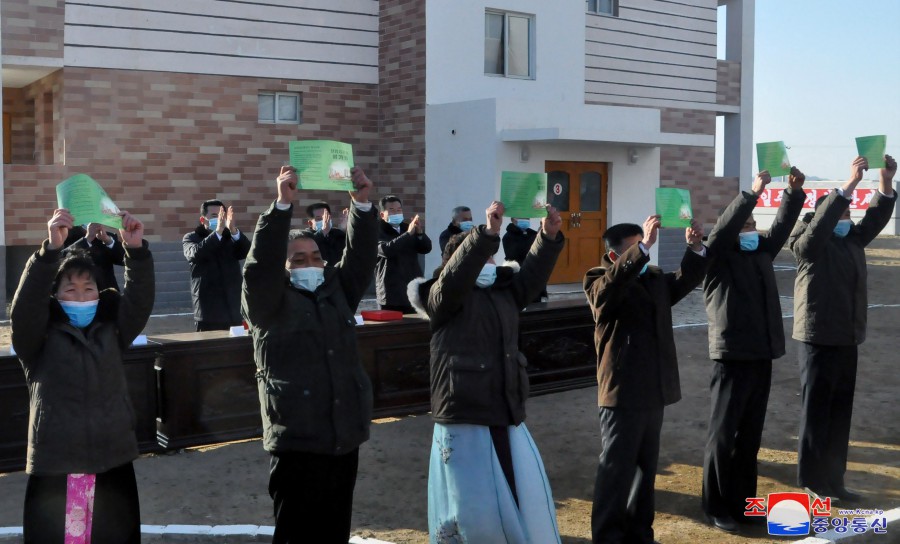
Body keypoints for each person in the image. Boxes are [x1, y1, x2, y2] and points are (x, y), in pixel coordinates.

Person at [408, 201, 565, 543]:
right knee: (471, 508)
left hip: (504, 407)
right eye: (482, 258)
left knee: (515, 493)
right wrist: (487, 235)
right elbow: (455, 279)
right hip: (465, 410)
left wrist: (548, 236)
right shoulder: (443, 297)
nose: (489, 264)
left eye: (492, 258)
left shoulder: (504, 292)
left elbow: (534, 273)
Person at [242, 165, 378, 544]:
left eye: (315, 257)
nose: (310, 264)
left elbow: (362, 258)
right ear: (283, 269)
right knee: (297, 535)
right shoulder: (268, 302)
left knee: (335, 530)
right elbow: (258, 269)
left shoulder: (337, 290)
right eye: (298, 260)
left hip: (341, 433)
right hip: (297, 438)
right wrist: (282, 206)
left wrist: (362, 203)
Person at [11, 207, 154, 543]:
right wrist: (49, 251)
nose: (80, 297)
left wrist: (135, 251)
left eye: (88, 288)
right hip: (58, 465)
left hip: (112, 460)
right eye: (70, 290)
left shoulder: (112, 331)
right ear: (56, 297)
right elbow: (24, 309)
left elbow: (140, 301)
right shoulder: (39, 340)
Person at [584, 215, 706, 544]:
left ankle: (640, 533)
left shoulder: (652, 278)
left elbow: (682, 281)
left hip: (654, 388)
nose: (644, 252)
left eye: (645, 245)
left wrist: (694, 248)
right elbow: (604, 294)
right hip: (622, 391)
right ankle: (608, 536)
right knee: (615, 469)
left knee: (644, 469)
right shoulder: (598, 278)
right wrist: (643, 248)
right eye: (636, 247)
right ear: (615, 255)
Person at [700, 167, 806, 532]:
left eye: (752, 226)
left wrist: (792, 194)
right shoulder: (716, 257)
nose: (750, 232)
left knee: (750, 437)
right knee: (723, 434)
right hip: (731, 354)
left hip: (762, 353)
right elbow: (723, 230)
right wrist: (752, 193)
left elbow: (780, 228)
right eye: (744, 227)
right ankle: (715, 506)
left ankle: (744, 504)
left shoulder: (760, 251)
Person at [789, 154, 897, 503]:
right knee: (817, 411)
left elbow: (876, 218)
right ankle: (812, 481)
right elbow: (816, 232)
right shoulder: (807, 238)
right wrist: (848, 185)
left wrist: (884, 182)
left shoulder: (851, 239)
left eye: (849, 214)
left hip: (848, 335)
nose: (847, 220)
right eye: (842, 213)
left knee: (839, 413)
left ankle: (834, 480)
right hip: (817, 335)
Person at [183, 199, 251, 331]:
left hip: (233, 307)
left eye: (223, 216)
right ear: (203, 220)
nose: (220, 219)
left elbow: (247, 252)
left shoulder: (230, 237)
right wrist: (217, 232)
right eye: (215, 216)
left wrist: (233, 230)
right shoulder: (192, 238)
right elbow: (196, 254)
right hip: (208, 310)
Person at [376, 195, 432, 314]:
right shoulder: (376, 230)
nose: (396, 213)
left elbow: (426, 248)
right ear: (382, 214)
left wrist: (420, 233)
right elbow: (386, 250)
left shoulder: (407, 228)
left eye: (399, 210)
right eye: (391, 210)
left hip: (412, 288)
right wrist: (407, 234)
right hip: (390, 292)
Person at [63, 223, 125, 292]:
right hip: (78, 294)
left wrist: (108, 241)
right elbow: (63, 258)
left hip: (106, 294)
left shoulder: (106, 235)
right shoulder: (66, 234)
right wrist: (87, 239)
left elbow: (123, 260)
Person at [503, 217, 547, 302]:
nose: (525, 220)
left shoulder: (531, 233)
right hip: (520, 281)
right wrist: (537, 239)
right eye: (521, 218)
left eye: (527, 218)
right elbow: (517, 253)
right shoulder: (508, 236)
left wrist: (542, 235)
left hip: (535, 279)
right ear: (513, 219)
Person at [305, 201, 347, 266]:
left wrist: (346, 231)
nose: (324, 221)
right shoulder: (305, 236)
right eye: (319, 218)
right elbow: (310, 244)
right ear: (310, 223)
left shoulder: (338, 234)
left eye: (326, 217)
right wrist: (323, 231)